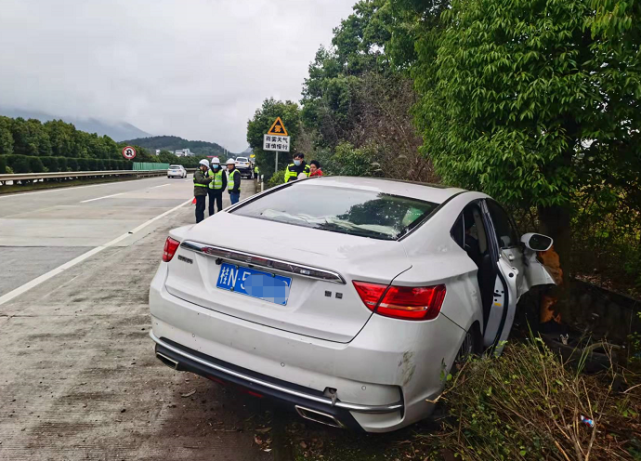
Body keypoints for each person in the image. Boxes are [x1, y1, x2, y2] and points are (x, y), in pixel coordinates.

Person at [193, 159, 212, 223]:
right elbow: (201, 181)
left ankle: (201, 220)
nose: (206, 169)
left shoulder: (202, 173)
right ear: (203, 166)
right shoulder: (198, 173)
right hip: (199, 193)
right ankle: (198, 221)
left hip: (202, 193)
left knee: (202, 208)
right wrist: (209, 179)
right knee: (199, 208)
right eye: (206, 168)